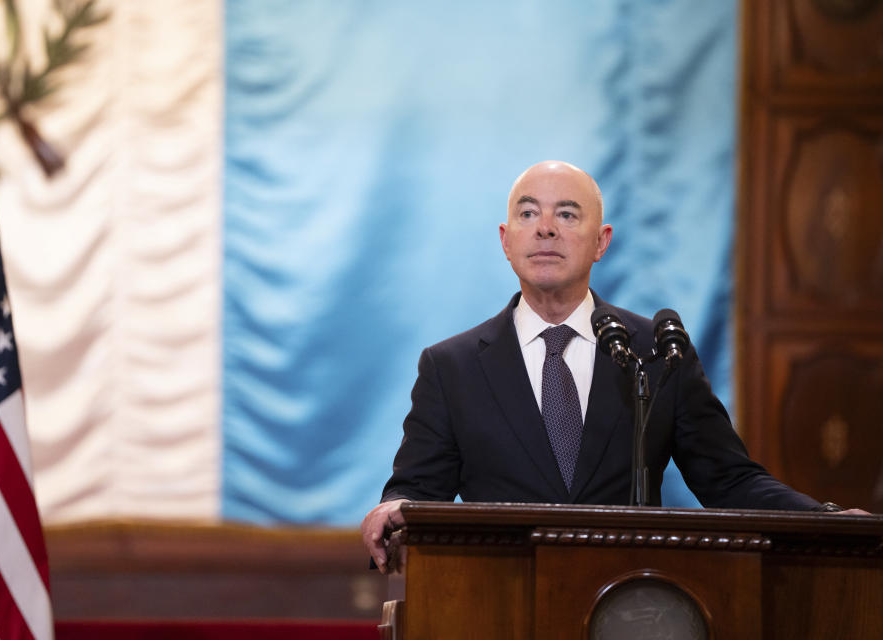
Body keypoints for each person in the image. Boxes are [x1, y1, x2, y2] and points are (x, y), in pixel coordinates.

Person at [361, 161, 867, 573]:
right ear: (505, 239)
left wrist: (827, 519)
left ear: (601, 242)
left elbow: (729, 480)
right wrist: (392, 506)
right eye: (528, 213)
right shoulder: (451, 367)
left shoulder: (656, 351)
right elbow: (417, 492)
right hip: (496, 600)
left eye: (567, 214)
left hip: (631, 598)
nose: (545, 228)